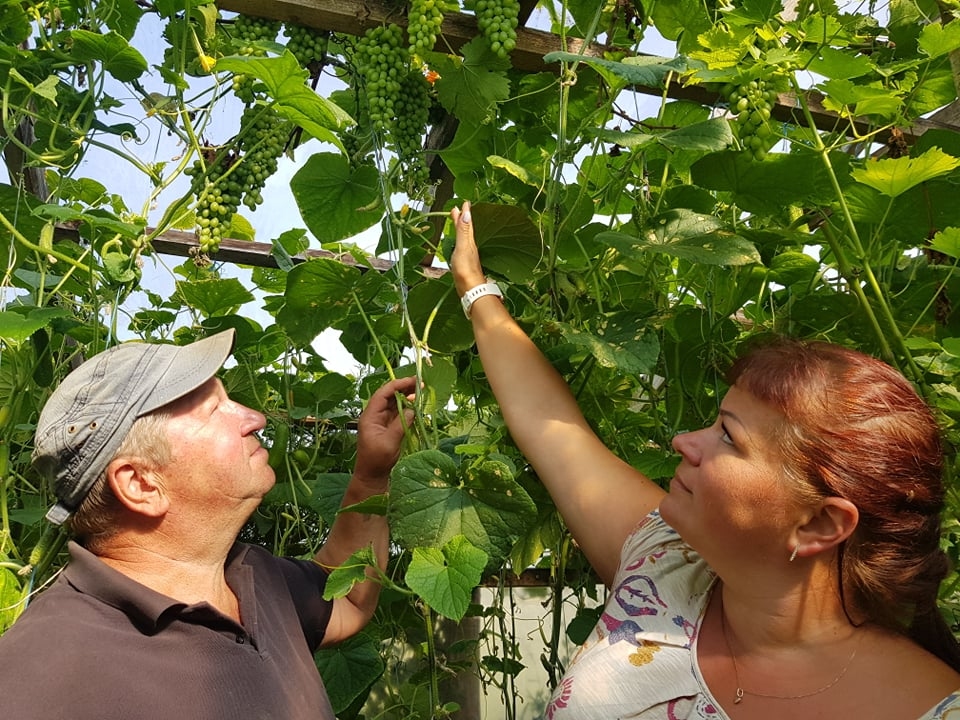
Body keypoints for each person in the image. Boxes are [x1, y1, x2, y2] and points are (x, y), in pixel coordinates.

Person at [449, 200, 960, 720]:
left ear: (820, 524)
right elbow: (551, 425)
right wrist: (473, 285)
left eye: (728, 437)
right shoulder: (663, 561)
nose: (683, 442)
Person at [0, 328, 416, 720]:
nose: (256, 417)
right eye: (215, 409)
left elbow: (349, 598)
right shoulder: (39, 680)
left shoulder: (255, 577)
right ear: (141, 484)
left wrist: (371, 476)